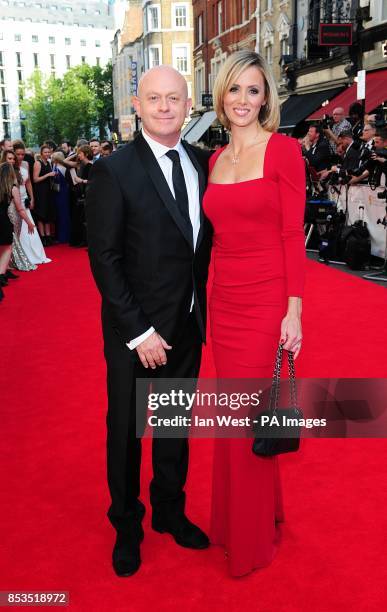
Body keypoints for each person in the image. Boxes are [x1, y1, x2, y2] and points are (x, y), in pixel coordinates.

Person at [86, 65, 213, 578]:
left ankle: (169, 512)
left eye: (174, 99)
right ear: (136, 106)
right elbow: (105, 258)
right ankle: (127, 525)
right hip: (133, 331)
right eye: (154, 98)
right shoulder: (114, 170)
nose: (165, 107)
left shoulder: (203, 164)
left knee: (174, 426)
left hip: (187, 322)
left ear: (188, 107)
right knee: (127, 430)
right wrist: (139, 331)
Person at [203, 50, 305, 577]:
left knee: (245, 415)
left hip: (267, 301)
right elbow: (213, 240)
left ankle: (248, 543)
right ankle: (258, 514)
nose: (244, 100)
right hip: (225, 300)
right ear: (222, 95)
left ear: (267, 98)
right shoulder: (214, 159)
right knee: (236, 412)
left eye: (254, 90)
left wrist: (294, 312)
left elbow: (293, 235)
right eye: (235, 89)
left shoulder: (284, 151)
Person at [14, 141, 51, 265]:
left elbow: (28, 181)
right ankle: (19, 257)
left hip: (25, 199)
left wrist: (32, 197)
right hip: (14, 200)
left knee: (30, 228)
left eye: (22, 154)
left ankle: (34, 254)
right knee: (20, 228)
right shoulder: (9, 166)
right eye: (18, 154)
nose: (20, 157)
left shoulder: (25, 164)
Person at [3, 161, 36, 272]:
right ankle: (5, 269)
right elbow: (20, 209)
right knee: (11, 242)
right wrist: (30, 223)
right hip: (12, 216)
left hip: (5, 215)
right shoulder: (13, 188)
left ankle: (7, 267)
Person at [33, 145, 56, 246]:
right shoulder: (38, 163)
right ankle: (42, 237)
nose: (47, 154)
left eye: (48, 152)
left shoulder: (49, 162)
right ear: (41, 153)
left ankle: (48, 236)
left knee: (47, 214)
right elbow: (35, 179)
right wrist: (48, 175)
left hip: (48, 191)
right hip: (40, 191)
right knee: (41, 214)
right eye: (45, 152)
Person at [0, 162, 16, 300]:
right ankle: (1, 274)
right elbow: (20, 208)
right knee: (7, 248)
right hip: (4, 220)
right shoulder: (11, 188)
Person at [51, 151, 71, 243]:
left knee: (61, 215)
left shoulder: (58, 168)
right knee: (64, 214)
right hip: (63, 192)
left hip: (60, 193)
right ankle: (65, 235)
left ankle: (63, 237)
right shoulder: (64, 167)